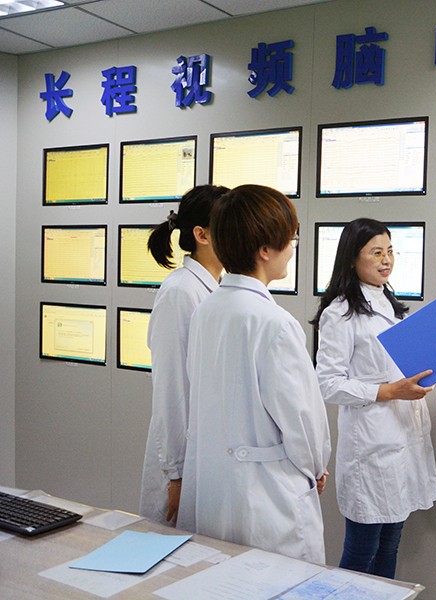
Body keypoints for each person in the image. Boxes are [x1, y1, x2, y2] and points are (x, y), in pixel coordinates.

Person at [180, 184, 331, 562]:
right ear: (265, 250)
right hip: (268, 499)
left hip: (216, 491)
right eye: (291, 239)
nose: (293, 249)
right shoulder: (274, 322)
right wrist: (315, 466)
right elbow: (302, 418)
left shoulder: (207, 310)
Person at [312, 217, 436, 579]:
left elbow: (405, 345)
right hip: (370, 446)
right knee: (361, 553)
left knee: (390, 545)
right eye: (376, 252)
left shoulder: (388, 303)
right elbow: (327, 383)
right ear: (352, 259)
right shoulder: (339, 313)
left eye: (390, 251)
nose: (386, 260)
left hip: (400, 439)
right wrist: (389, 391)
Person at [138, 184, 229, 526]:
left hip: (208, 453)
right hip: (182, 463)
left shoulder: (217, 287)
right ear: (202, 235)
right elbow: (171, 390)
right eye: (231, 227)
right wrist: (175, 474)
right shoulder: (180, 292)